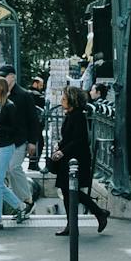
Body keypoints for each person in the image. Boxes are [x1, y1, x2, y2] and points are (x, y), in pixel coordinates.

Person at [50, 85, 109, 235]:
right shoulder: (71, 115)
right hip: (70, 158)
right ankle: (76, 223)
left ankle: (95, 214)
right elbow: (70, 138)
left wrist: (62, 151)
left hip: (76, 159)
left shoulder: (77, 116)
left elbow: (79, 140)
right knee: (69, 192)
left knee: (72, 192)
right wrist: (60, 144)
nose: (61, 100)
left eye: (64, 98)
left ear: (72, 100)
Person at [0, 77, 31, 230]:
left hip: (5, 147)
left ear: (0, 88)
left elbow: (15, 130)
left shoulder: (9, 106)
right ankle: (20, 206)